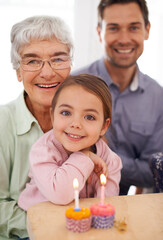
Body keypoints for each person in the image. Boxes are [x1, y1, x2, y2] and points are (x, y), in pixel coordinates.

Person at [72, 0, 163, 195]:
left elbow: (153, 173)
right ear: (99, 32)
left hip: (122, 212)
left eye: (133, 27)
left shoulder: (158, 98)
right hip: (72, 205)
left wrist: (101, 155)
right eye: (113, 28)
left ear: (147, 30)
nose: (124, 39)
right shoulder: (72, 86)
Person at [0, 15, 74, 240]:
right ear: (18, 72)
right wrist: (52, 224)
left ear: (70, 65)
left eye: (58, 59)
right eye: (32, 61)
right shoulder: (3, 123)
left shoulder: (85, 119)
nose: (48, 72)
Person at [18, 74, 122, 211]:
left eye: (89, 117)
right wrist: (85, 156)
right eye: (66, 113)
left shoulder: (110, 161)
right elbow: (60, 194)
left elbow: (105, 206)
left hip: (81, 224)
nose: (75, 124)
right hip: (37, 224)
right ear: (53, 116)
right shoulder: (42, 151)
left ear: (104, 126)